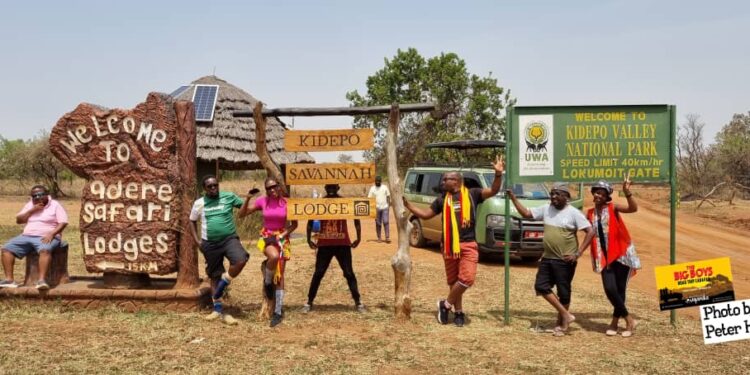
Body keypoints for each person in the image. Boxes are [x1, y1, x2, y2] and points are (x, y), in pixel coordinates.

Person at [403, 156, 505, 327]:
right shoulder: (442, 199)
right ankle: (458, 312)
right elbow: (427, 214)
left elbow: (493, 191)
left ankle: (446, 305)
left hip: (468, 244)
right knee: (453, 281)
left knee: (467, 279)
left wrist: (498, 175)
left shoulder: (473, 194)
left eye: (446, 179)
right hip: (449, 245)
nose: (442, 181)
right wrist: (409, 207)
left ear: (456, 181)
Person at [508, 182, 595, 336]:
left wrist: (578, 253)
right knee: (541, 286)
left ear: (566, 197)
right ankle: (566, 315)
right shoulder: (547, 209)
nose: (553, 197)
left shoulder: (574, 213)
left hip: (565, 260)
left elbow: (590, 231)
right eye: (552, 193)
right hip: (547, 257)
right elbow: (527, 214)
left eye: (557, 194)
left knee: (564, 292)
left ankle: (561, 325)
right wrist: (513, 198)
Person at [188, 175, 249, 325]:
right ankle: (218, 309)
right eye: (210, 186)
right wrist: (197, 241)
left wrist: (248, 199)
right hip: (209, 243)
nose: (213, 188)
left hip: (229, 239)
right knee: (214, 275)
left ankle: (224, 281)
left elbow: (243, 208)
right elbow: (191, 220)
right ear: (205, 189)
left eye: (215, 185)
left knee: (241, 259)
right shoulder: (199, 203)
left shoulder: (228, 197)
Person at [239, 177, 298, 327]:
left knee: (280, 276)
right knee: (273, 256)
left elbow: (294, 225)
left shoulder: (287, 203)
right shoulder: (262, 201)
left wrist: (282, 235)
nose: (272, 190)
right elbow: (242, 214)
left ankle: (277, 312)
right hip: (266, 236)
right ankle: (267, 282)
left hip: (282, 238)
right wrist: (248, 198)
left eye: (274, 187)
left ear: (279, 187)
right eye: (269, 188)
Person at [586, 176, 640, 337]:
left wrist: (627, 192)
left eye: (602, 194)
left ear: (607, 196)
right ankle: (629, 319)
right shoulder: (589, 213)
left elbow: (633, 209)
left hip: (622, 254)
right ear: (593, 193)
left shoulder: (613, 208)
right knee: (610, 289)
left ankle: (615, 322)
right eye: (597, 192)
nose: (598, 196)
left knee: (620, 289)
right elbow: (587, 233)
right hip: (604, 257)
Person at [303, 184, 364, 313]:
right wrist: (308, 239)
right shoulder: (320, 203)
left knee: (349, 273)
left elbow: (356, 218)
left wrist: (359, 237)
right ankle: (309, 301)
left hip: (342, 243)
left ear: (338, 188)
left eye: (333, 187)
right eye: (328, 187)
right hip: (324, 244)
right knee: (318, 273)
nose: (331, 190)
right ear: (325, 188)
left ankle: (358, 302)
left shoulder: (345, 202)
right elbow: (310, 220)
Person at [0, 185, 68, 290]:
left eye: (40, 194)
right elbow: (19, 220)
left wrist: (52, 234)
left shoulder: (55, 205)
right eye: (34, 196)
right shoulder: (30, 205)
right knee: (6, 249)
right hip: (27, 236)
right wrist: (32, 210)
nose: (37, 197)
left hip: (47, 236)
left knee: (45, 250)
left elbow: (63, 222)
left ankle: (41, 281)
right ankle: (9, 280)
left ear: (47, 195)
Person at [368, 176, 391, 243]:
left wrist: (388, 205)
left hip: (385, 207)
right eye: (376, 181)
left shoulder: (384, 187)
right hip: (376, 208)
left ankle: (387, 237)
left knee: (386, 221)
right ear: (375, 181)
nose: (377, 182)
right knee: (378, 223)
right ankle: (379, 237)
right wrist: (372, 208)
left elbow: (388, 196)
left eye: (378, 181)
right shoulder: (372, 188)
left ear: (381, 181)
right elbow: (369, 198)